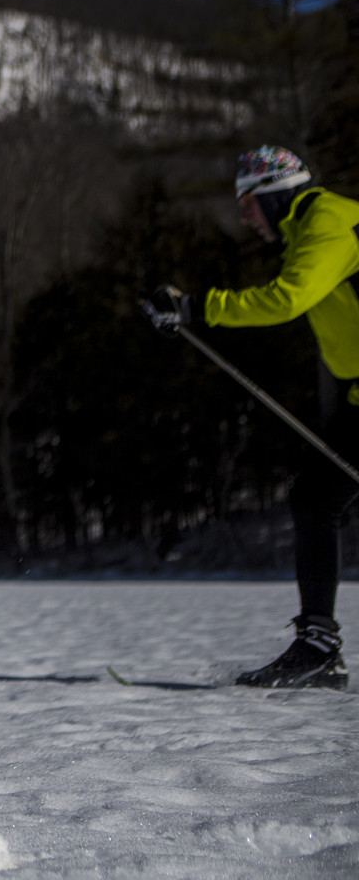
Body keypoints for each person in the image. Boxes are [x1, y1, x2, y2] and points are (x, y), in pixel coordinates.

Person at [155, 146, 356, 690]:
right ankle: (318, 646)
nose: (244, 216)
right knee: (316, 498)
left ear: (274, 194)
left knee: (317, 499)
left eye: (248, 202)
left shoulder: (329, 222)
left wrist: (199, 308)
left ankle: (319, 646)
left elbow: (289, 299)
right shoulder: (315, 224)